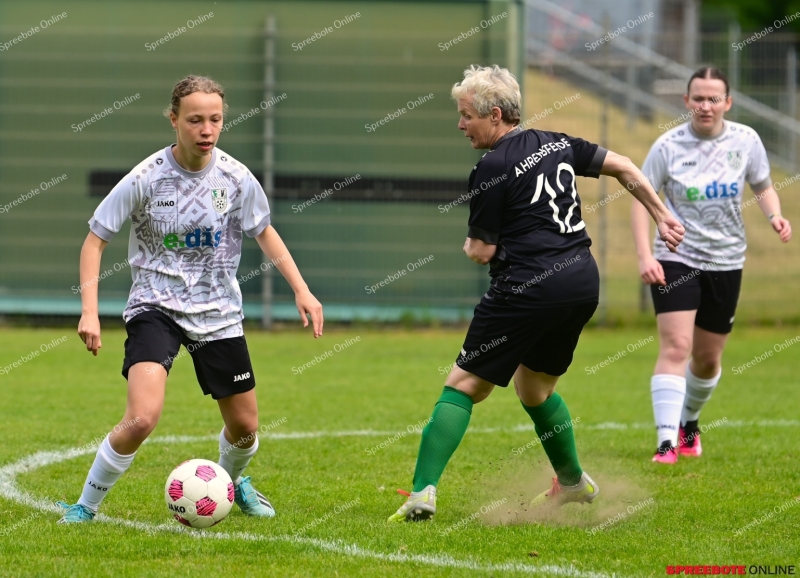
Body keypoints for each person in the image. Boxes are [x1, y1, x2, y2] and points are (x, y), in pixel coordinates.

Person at [388, 65, 684, 522]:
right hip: (581, 281)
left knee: (464, 384)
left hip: (529, 286)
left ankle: (422, 494)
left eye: (466, 115)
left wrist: (471, 244)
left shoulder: (491, 166)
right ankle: (574, 484)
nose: (460, 124)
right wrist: (662, 216)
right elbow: (624, 166)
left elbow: (481, 251)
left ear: (497, 114)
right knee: (535, 389)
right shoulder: (557, 142)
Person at [57, 75, 324, 523]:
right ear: (174, 120)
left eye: (215, 120)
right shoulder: (146, 177)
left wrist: (302, 289)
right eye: (195, 120)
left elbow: (264, 231)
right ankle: (86, 506)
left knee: (245, 429)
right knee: (141, 418)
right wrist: (89, 311)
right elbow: (94, 240)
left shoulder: (237, 178)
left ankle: (229, 482)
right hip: (154, 305)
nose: (206, 129)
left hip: (218, 311)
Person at [632, 66, 791, 464]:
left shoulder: (746, 140)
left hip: (727, 259)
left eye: (713, 98)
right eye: (698, 98)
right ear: (686, 102)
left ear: (727, 102)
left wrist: (775, 215)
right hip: (676, 256)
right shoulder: (667, 146)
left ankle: (689, 424)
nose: (706, 105)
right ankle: (666, 443)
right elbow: (640, 197)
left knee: (707, 358)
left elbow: (762, 184)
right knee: (677, 346)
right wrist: (645, 255)